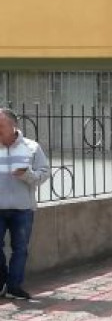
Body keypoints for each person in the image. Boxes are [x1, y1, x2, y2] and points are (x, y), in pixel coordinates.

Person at [0, 108, 50, 299]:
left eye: (1, 125)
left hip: (23, 209)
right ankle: (2, 281)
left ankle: (14, 286)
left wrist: (27, 175)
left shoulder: (32, 147)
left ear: (14, 126)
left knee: (20, 248)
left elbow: (44, 173)